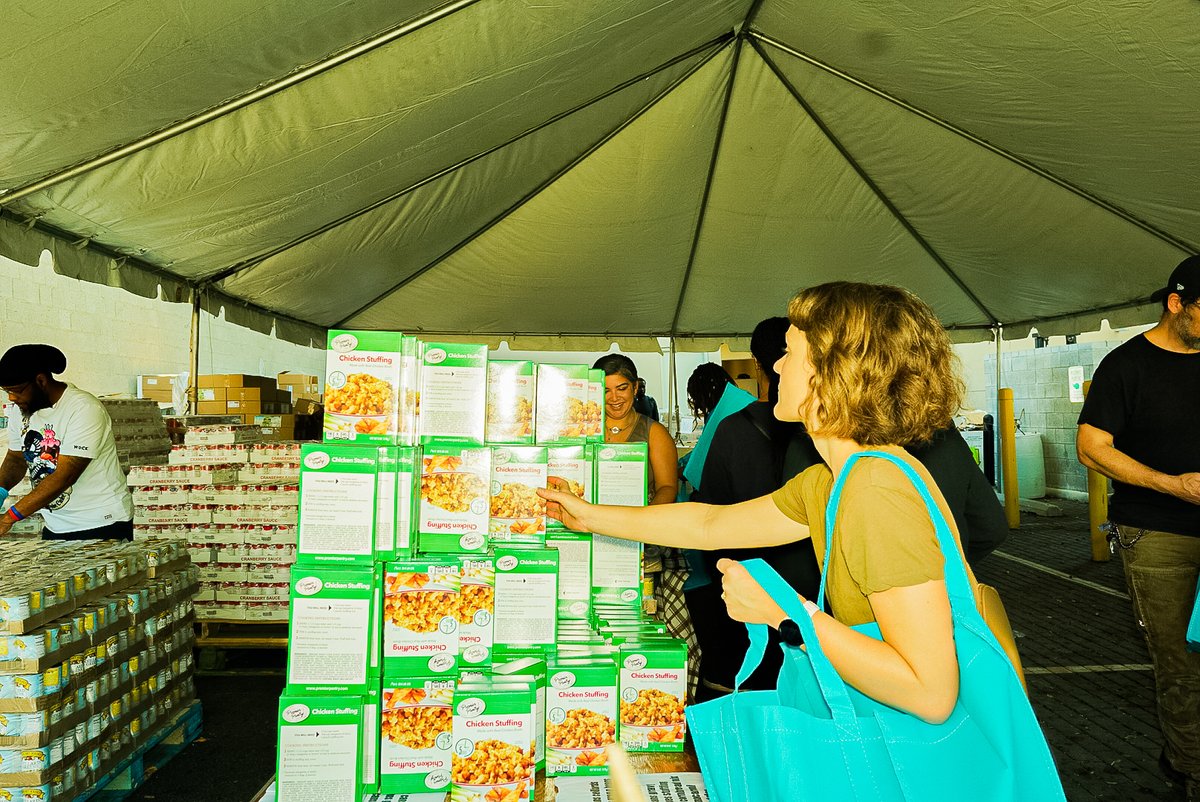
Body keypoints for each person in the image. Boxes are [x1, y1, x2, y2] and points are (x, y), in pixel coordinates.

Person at [549, 283, 993, 725]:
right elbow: (708, 524)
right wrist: (587, 515)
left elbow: (930, 694)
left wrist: (783, 610)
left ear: (831, 373)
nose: (776, 366)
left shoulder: (873, 490)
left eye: (790, 353)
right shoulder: (831, 481)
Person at [1076, 254, 1200, 799]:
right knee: (1180, 663)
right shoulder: (1126, 366)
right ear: (1177, 304)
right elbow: (1091, 448)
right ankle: (1190, 767)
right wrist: (1171, 485)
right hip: (1157, 534)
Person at [0, 344, 134, 540]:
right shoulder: (20, 411)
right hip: (56, 524)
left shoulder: (83, 408)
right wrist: (1, 490)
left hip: (102, 521)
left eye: (17, 390)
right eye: (6, 391)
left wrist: (9, 518)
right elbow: (16, 458)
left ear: (41, 381)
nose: (12, 397)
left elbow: (65, 475)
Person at [592, 355, 677, 505]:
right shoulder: (584, 430)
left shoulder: (655, 433)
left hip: (639, 518)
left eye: (621, 389)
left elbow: (667, 487)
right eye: (605, 391)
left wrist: (646, 516)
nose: (614, 398)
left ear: (635, 387)